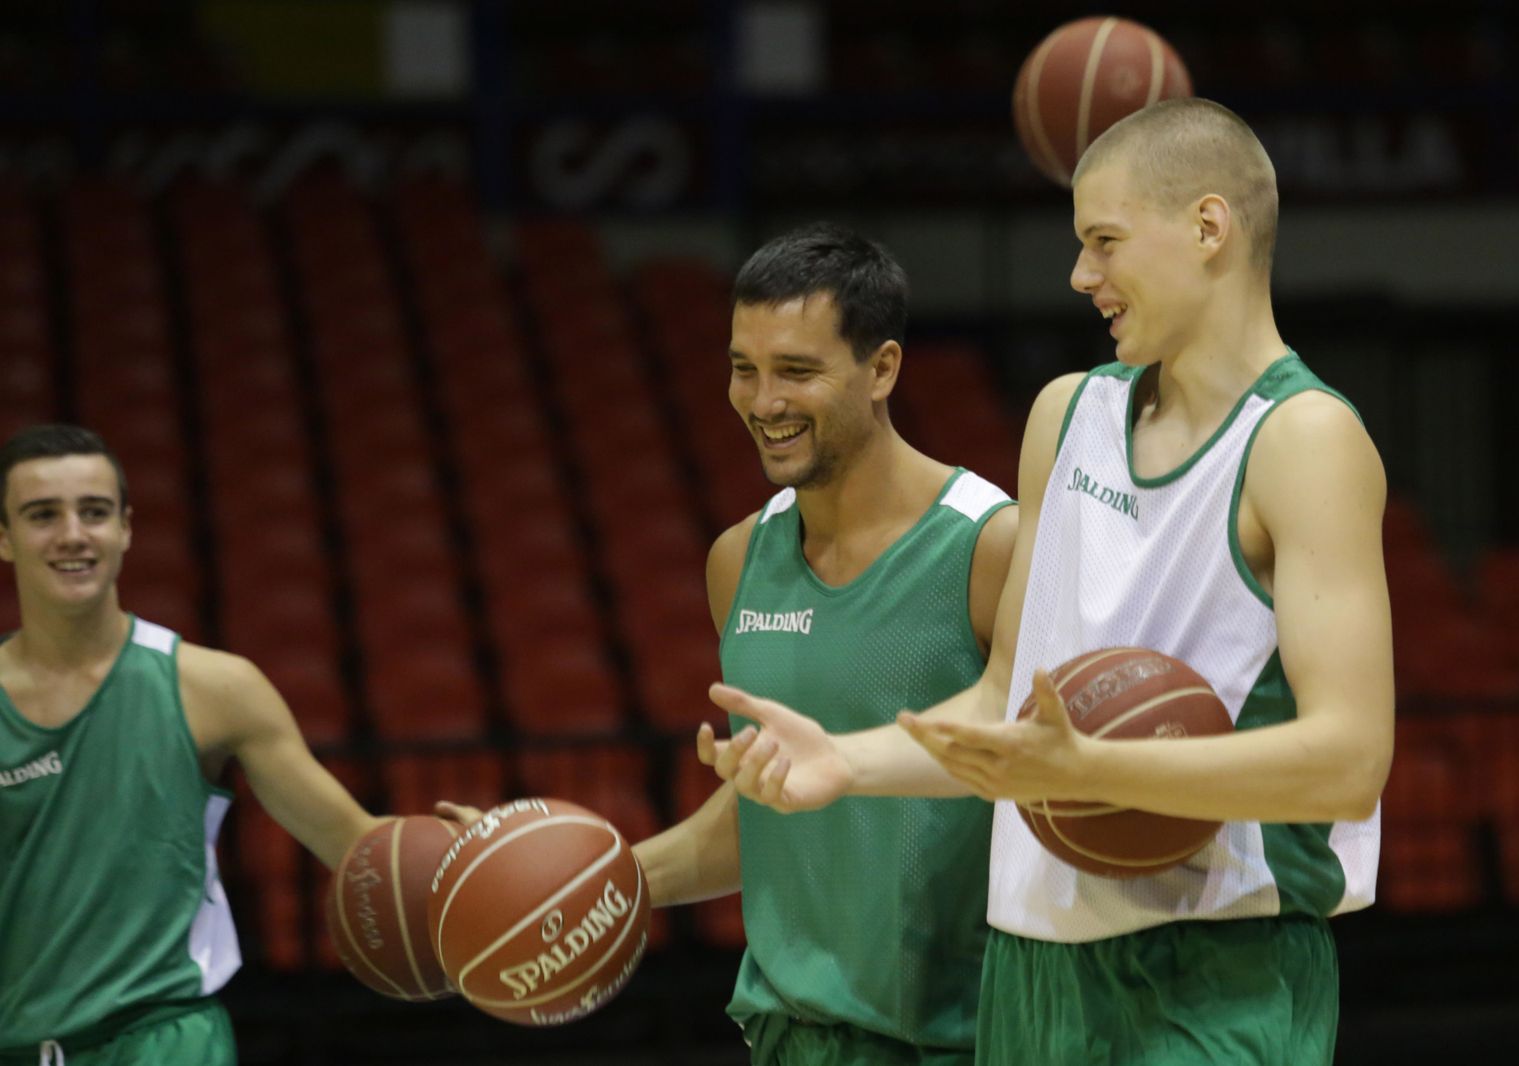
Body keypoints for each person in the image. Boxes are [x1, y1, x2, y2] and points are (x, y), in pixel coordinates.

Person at [703, 99, 1394, 1065]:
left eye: (1104, 242)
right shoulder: (1067, 414)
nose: (1080, 275)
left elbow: (1349, 762)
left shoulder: (1305, 439)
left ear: (1209, 227)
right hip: (1029, 971)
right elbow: (1005, 705)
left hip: (1212, 972)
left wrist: (1092, 772)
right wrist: (846, 764)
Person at [443, 223, 1017, 1064]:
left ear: (883, 369)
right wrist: (554, 882)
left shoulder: (993, 546)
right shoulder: (738, 560)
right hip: (788, 1039)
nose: (763, 401)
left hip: (963, 1039)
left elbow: (1048, 783)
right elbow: (762, 818)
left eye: (797, 371)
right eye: (745, 369)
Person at [0, 425, 382, 1066]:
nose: (72, 534)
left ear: (126, 528)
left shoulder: (216, 688)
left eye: (94, 512)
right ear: (4, 537)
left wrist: (468, 855)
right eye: (43, 515)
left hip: (166, 1040)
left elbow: (353, 841)